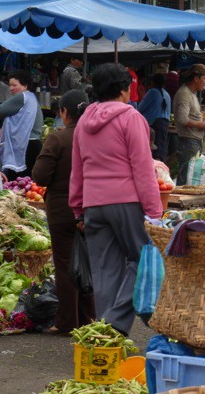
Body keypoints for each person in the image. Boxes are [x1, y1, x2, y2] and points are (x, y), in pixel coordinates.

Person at [69, 63, 162, 336]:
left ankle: (106, 333)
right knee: (143, 260)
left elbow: (77, 169)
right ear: (124, 89)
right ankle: (115, 322)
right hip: (126, 202)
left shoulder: (83, 122)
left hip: (93, 204)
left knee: (105, 270)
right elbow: (142, 168)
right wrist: (154, 211)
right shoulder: (131, 117)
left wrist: (78, 209)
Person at [33, 90, 95, 334]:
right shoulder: (97, 137)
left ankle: (67, 321)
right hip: (93, 206)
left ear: (64, 112)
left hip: (62, 209)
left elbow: (40, 176)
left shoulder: (58, 138)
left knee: (65, 265)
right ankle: (90, 318)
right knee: (89, 263)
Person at [0, 70, 43, 181]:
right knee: (29, 184)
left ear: (25, 86)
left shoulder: (22, 97)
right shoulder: (31, 98)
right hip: (34, 145)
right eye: (9, 85)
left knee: (17, 183)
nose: (11, 88)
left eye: (14, 85)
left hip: (26, 146)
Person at [172, 64, 205, 186]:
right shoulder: (184, 94)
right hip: (188, 143)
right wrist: (202, 125)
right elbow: (182, 119)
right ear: (196, 78)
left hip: (193, 142)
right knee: (186, 178)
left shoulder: (191, 93)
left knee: (192, 178)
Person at [138, 73, 171, 161]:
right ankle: (160, 166)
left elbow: (141, 108)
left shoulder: (152, 92)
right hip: (165, 123)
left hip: (153, 124)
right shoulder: (167, 94)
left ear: (152, 82)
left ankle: (154, 167)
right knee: (161, 148)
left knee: (153, 150)